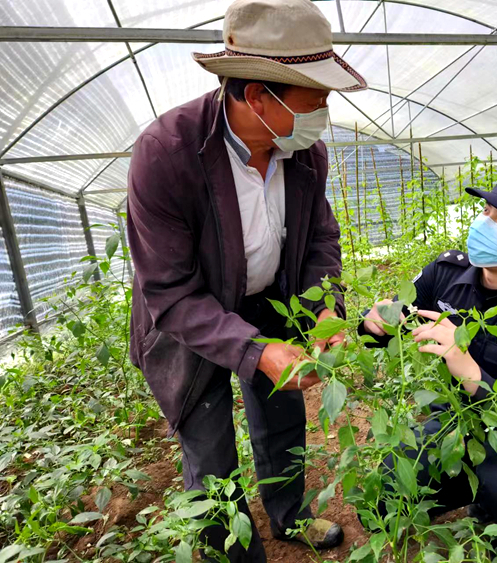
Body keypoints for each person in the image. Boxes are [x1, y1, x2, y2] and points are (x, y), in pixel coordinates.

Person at [126, 0, 367, 560]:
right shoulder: (168, 153)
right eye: (315, 99)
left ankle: (289, 516)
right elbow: (171, 292)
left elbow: (319, 238)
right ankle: (233, 554)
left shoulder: (304, 154)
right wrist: (253, 350)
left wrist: (325, 308)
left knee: (282, 419)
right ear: (258, 95)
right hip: (191, 321)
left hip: (270, 301)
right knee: (209, 449)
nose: (323, 112)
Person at [361, 170, 497, 541]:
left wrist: (467, 368)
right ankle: (466, 489)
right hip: (453, 414)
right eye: (487, 212)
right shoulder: (446, 272)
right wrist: (375, 324)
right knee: (384, 492)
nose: (485, 225)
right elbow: (387, 326)